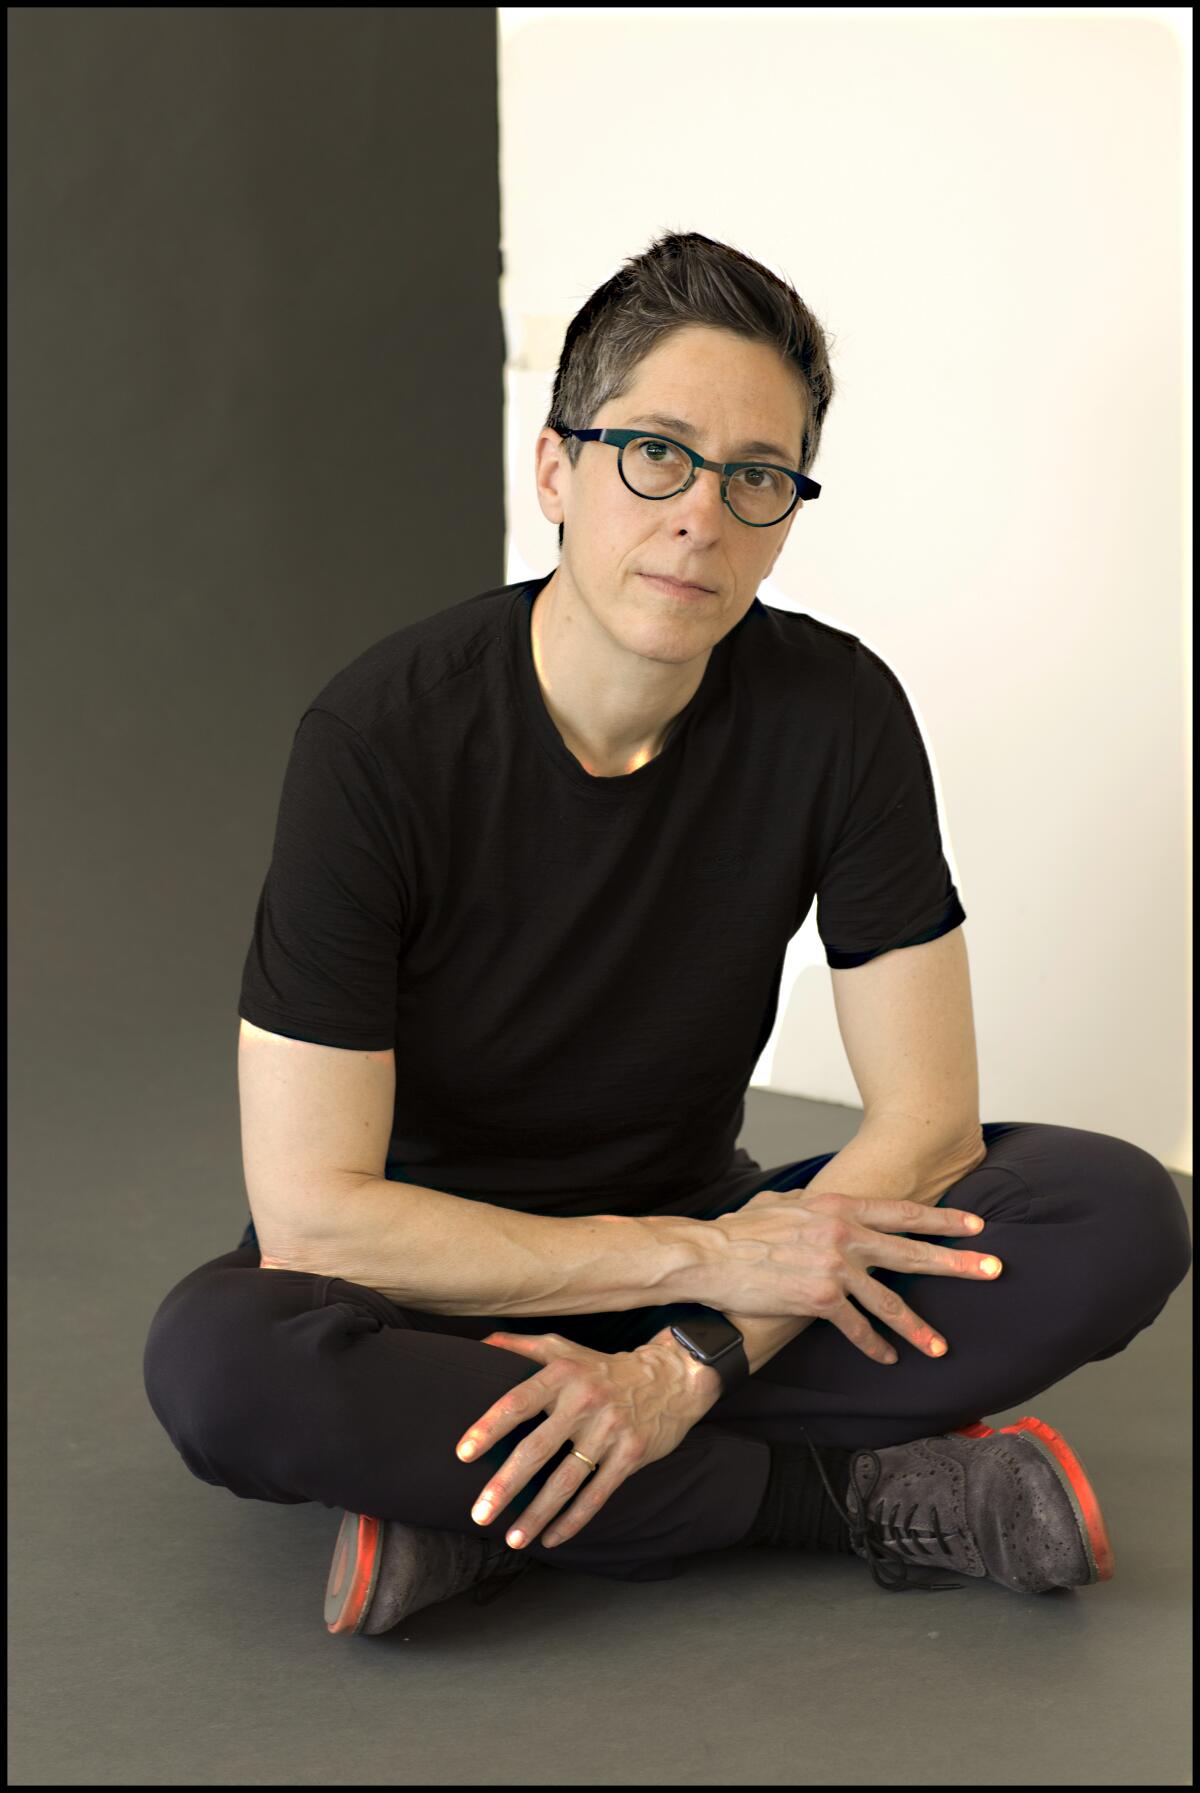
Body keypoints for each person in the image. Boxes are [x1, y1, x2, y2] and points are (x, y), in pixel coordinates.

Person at [142, 231, 1191, 1635]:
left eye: (756, 474)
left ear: (787, 510)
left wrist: (689, 1355)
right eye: (655, 453)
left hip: (719, 1252)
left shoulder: (839, 715)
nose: (701, 513)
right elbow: (319, 1209)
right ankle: (836, 1498)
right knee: (224, 1361)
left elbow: (930, 1124)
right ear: (557, 470)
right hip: (439, 1278)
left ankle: (481, 1496)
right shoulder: (378, 741)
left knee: (1105, 1209)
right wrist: (698, 1274)